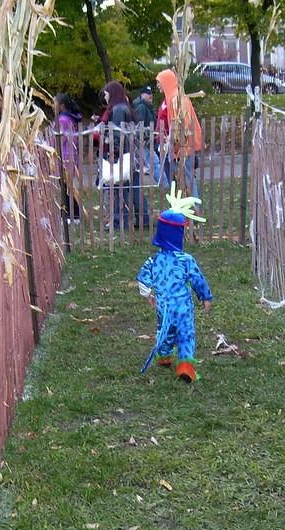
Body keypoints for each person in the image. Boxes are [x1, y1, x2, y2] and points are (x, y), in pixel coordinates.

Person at [136, 183, 212, 383]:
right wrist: (205, 297)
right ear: (178, 235)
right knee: (186, 334)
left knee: (165, 329)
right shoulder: (185, 260)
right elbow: (197, 279)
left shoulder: (153, 261)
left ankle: (164, 356)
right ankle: (185, 366)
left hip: (164, 306)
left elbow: (142, 279)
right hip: (184, 308)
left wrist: (148, 296)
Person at [99, 81, 149, 229]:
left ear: (112, 93)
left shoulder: (118, 109)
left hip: (123, 154)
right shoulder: (124, 107)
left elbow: (117, 132)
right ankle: (142, 218)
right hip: (130, 153)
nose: (105, 97)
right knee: (133, 186)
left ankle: (120, 220)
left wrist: (114, 153)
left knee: (120, 187)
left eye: (106, 93)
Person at [156, 69, 202, 199]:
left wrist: (173, 141)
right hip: (180, 147)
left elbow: (183, 124)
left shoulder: (177, 99)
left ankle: (195, 211)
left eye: (159, 82)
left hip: (184, 147)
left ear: (166, 82)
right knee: (184, 180)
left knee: (188, 180)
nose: (158, 86)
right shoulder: (172, 98)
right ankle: (189, 211)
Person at [54, 92, 82, 221]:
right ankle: (73, 214)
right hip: (71, 154)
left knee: (66, 186)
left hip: (64, 155)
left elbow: (60, 139)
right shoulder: (70, 118)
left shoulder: (62, 120)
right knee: (68, 185)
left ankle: (72, 214)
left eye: (55, 104)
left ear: (62, 105)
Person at [133, 85, 167, 188]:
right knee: (154, 164)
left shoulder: (146, 106)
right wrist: (144, 138)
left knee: (152, 164)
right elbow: (139, 125)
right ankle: (165, 185)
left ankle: (164, 184)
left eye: (151, 93)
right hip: (144, 142)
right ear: (142, 95)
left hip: (147, 141)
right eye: (148, 94)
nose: (150, 95)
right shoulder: (141, 107)